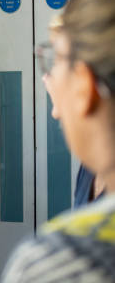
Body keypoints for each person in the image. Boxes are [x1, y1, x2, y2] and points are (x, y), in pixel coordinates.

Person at [0, 0, 115, 282]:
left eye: (57, 59)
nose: (49, 81)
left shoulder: (59, 259)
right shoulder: (91, 173)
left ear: (84, 85)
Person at [44, 15, 106, 208]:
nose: (46, 79)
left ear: (84, 85)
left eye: (55, 63)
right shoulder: (91, 167)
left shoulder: (57, 239)